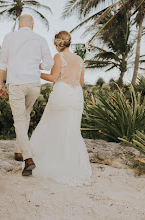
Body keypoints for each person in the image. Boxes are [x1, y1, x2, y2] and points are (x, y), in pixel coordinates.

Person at [29, 31, 92, 186]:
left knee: (53, 126)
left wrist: (36, 72)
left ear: (57, 43)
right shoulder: (79, 59)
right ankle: (73, 165)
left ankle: (54, 163)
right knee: (71, 130)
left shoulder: (59, 57)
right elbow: (81, 81)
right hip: (76, 95)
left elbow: (53, 78)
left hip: (62, 93)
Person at [0, 14, 53, 176]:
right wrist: (37, 65)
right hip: (34, 84)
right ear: (32, 25)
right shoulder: (40, 39)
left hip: (17, 83)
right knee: (25, 115)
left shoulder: (9, 37)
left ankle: (28, 158)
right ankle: (18, 151)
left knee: (20, 119)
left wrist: (0, 84)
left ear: (19, 24)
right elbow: (49, 64)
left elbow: (2, 63)